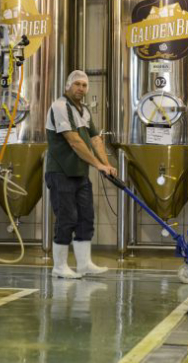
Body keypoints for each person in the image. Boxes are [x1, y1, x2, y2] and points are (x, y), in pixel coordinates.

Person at [45, 70, 117, 278]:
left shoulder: (83, 110)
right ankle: (59, 267)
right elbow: (74, 141)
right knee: (67, 217)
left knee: (86, 217)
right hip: (61, 172)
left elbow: (95, 139)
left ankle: (84, 264)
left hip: (79, 174)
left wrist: (106, 164)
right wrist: (97, 165)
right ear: (68, 86)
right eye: (77, 84)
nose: (81, 88)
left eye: (84, 85)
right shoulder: (60, 107)